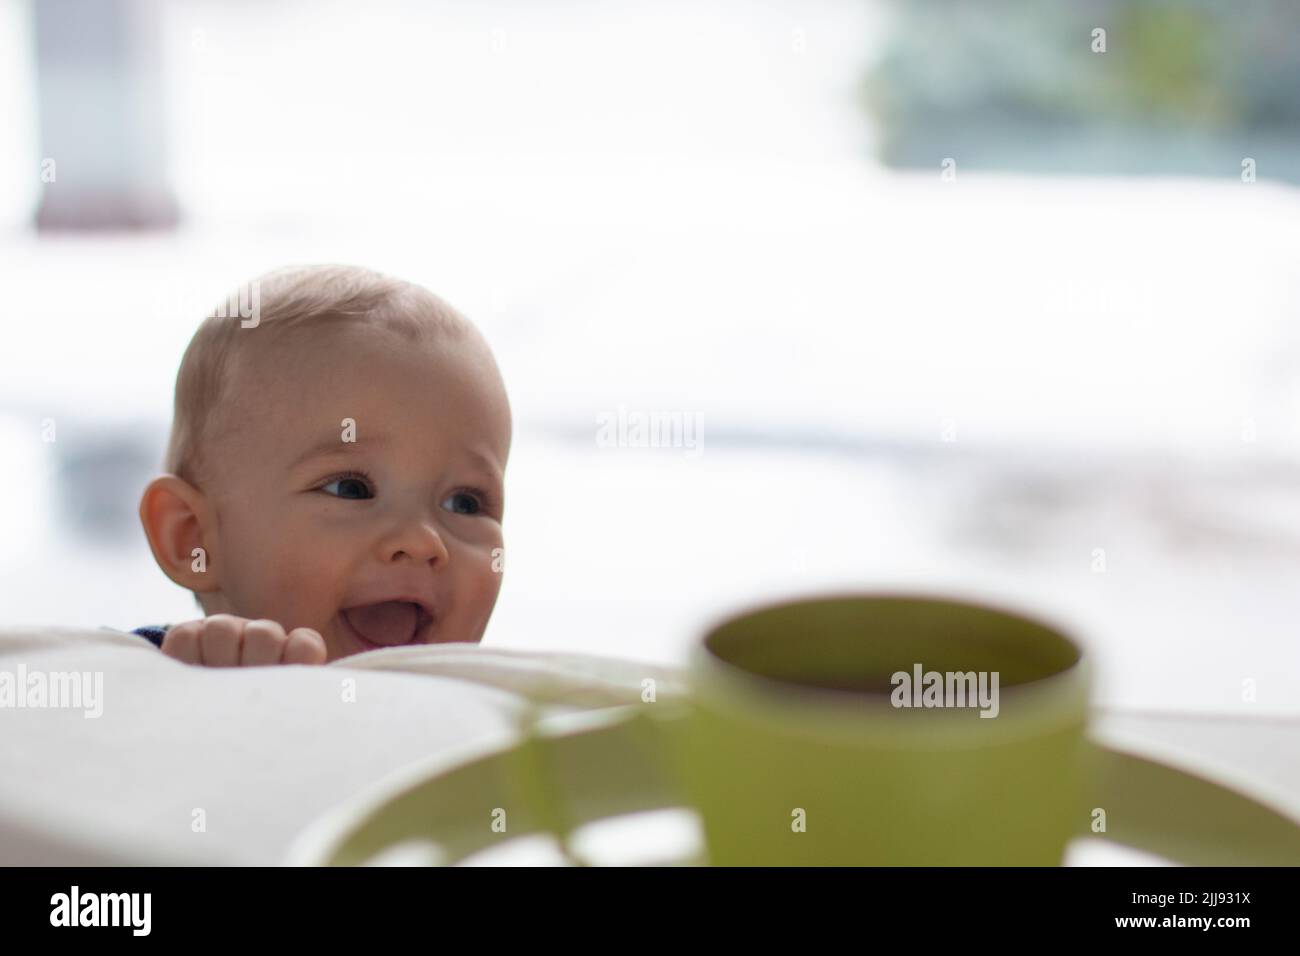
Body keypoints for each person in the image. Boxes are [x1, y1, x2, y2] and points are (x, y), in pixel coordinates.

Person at [132, 264, 511, 666]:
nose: (422, 543)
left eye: (464, 503)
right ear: (193, 539)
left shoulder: (502, 708)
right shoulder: (146, 682)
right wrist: (198, 693)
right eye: (351, 488)